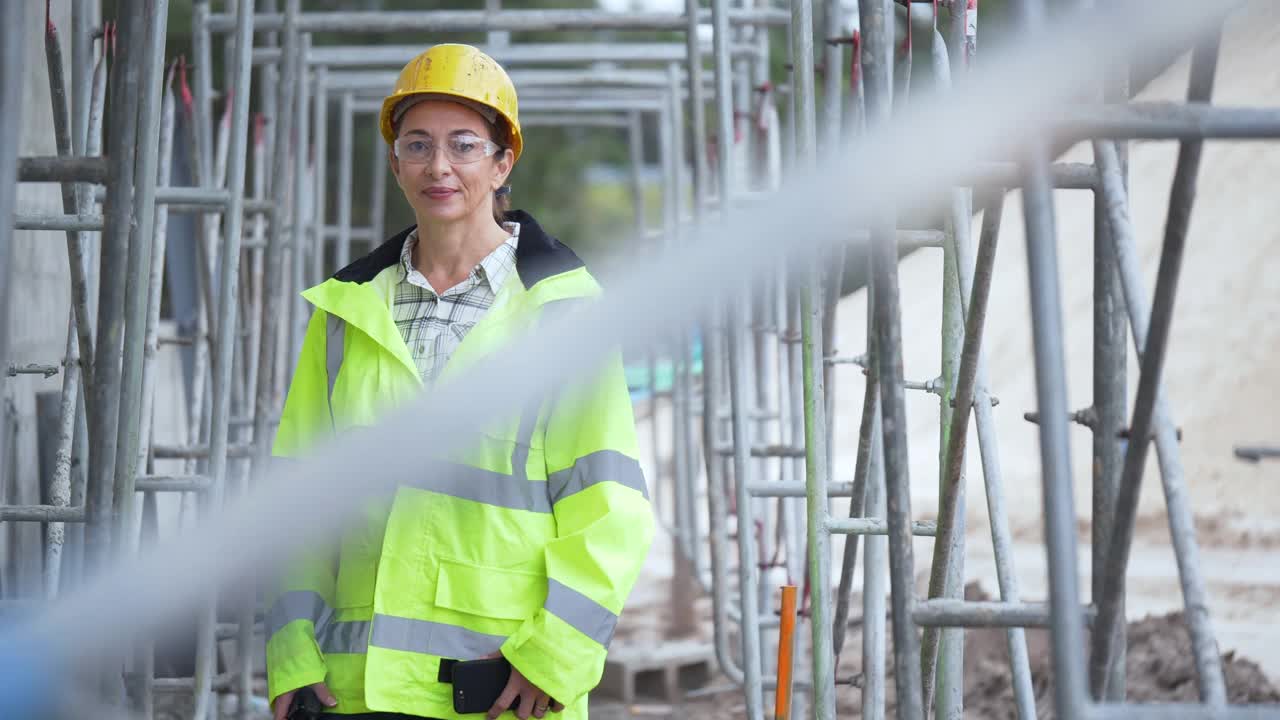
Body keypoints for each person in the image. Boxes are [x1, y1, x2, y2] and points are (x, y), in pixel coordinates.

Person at [264, 44, 654, 720]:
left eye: (464, 145)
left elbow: (609, 505)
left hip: (500, 690)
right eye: (416, 145)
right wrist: (292, 657)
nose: (437, 166)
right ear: (395, 162)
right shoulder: (345, 315)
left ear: (504, 162)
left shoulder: (563, 314)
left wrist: (555, 655)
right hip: (356, 693)